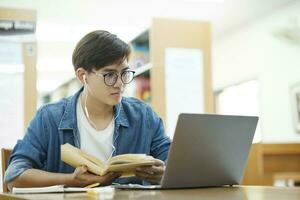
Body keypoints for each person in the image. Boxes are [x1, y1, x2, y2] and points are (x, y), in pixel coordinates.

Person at [4, 30, 171, 190]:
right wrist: (70, 181)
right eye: (110, 75)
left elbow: (177, 167)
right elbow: (14, 177)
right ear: (82, 76)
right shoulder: (49, 118)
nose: (120, 83)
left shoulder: (143, 116)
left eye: (125, 73)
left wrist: (162, 175)